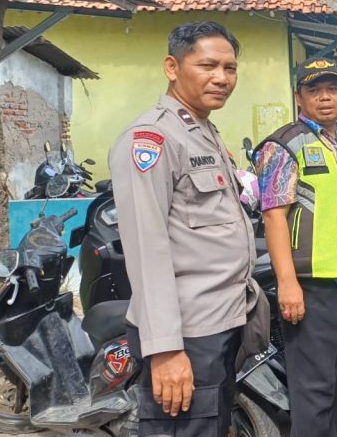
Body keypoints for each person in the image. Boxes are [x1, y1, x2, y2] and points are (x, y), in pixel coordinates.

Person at [109, 21, 262, 436]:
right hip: (186, 335)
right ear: (172, 67)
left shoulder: (203, 132)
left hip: (219, 324)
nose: (222, 78)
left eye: (230, 68)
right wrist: (165, 350)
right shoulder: (153, 138)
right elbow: (147, 249)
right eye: (208, 65)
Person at [253, 59, 337, 437]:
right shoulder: (285, 145)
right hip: (315, 286)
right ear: (299, 96)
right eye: (314, 90)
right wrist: (288, 283)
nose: (324, 97)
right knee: (314, 392)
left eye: (332, 89)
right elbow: (274, 216)